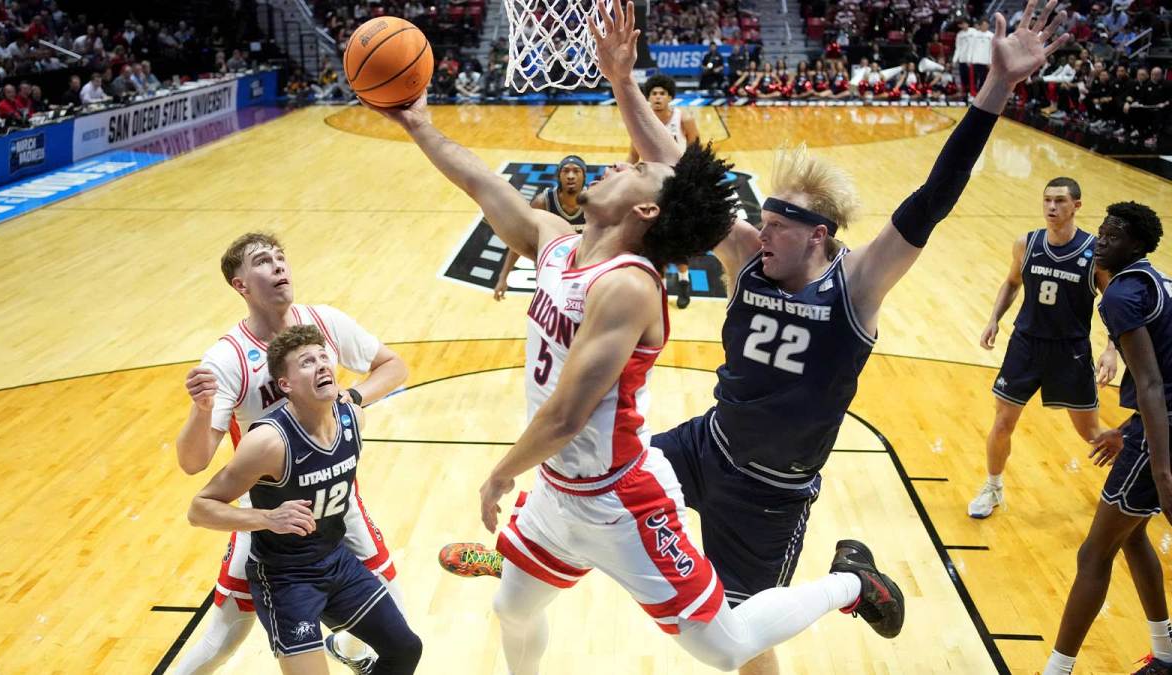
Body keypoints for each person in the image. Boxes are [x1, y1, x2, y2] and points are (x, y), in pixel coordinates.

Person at [439, 3, 1076, 674]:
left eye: (776, 225)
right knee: (591, 481)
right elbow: (678, 167)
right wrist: (623, 81)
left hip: (773, 487)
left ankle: (856, 581)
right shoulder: (749, 256)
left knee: (739, 642)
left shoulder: (859, 284)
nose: (757, 231)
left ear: (817, 235)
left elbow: (933, 197)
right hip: (707, 443)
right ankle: (527, 551)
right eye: (761, 220)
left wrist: (996, 88)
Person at [388, 3, 908, 672]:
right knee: (512, 610)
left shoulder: (630, 285)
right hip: (556, 490)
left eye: (631, 170)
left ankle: (852, 584)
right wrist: (420, 125)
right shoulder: (554, 241)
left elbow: (569, 411)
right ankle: (529, 559)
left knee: (726, 647)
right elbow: (482, 181)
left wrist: (498, 473)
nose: (614, 165)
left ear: (644, 209)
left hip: (618, 499)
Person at [173, 233, 409, 675]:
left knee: (394, 614)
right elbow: (194, 462)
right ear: (240, 285)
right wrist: (200, 412)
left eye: (282, 258)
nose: (280, 266)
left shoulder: (324, 324)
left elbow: (394, 365)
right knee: (229, 630)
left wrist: (352, 397)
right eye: (264, 261)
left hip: (336, 499)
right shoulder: (228, 359)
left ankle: (355, 654)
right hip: (269, 511)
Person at [1042, 201, 1172, 675]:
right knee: (1133, 535)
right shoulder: (1154, 280)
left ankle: (1057, 669)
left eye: (1112, 235)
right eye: (1100, 232)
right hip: (1154, 424)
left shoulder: (1120, 296)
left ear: (1135, 244)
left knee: (1093, 552)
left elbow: (1155, 384)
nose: (1100, 241)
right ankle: (1166, 651)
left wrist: (1159, 465)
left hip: (1162, 431)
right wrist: (1128, 427)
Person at [969, 177, 1118, 518]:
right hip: (1026, 346)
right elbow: (1011, 282)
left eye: (1060, 201)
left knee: (1093, 434)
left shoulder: (1094, 253)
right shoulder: (1027, 243)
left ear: (1076, 206)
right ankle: (992, 488)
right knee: (1003, 422)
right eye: (1047, 200)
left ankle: (1143, 479)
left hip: (1071, 352)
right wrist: (994, 318)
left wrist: (1111, 348)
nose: (1052, 207)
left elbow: (1114, 303)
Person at [627, 73, 700, 309]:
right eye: (654, 93)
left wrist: (692, 177)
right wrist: (625, 172)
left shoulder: (684, 118)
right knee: (653, 234)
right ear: (648, 98)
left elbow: (696, 149)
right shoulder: (641, 120)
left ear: (670, 97)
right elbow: (633, 154)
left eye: (662, 93)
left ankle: (683, 280)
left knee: (677, 234)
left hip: (676, 182)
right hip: (651, 182)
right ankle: (660, 286)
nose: (657, 97)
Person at [493, 155, 588, 300]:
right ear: (558, 175)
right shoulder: (543, 202)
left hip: (583, 265)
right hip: (551, 267)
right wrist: (503, 276)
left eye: (576, 171)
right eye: (566, 171)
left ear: (584, 176)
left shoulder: (593, 200)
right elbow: (520, 239)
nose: (570, 176)